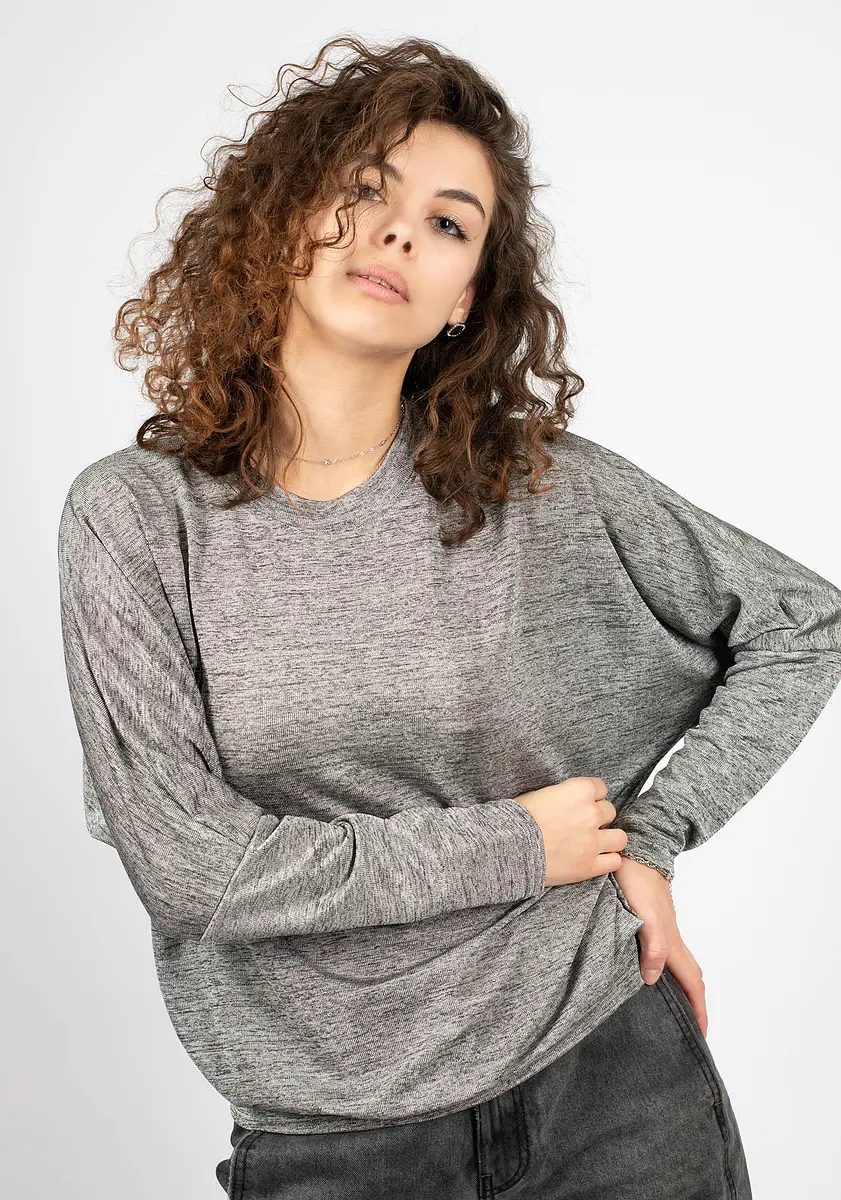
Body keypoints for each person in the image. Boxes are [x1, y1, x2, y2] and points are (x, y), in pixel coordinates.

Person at [56, 34, 841, 1200]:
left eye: (446, 223)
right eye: (364, 192)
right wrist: (520, 845)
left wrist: (651, 838)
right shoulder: (135, 518)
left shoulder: (533, 486)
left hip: (607, 1076)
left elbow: (802, 625)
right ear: (282, 217)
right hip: (335, 1135)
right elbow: (197, 872)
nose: (396, 237)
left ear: (465, 295)